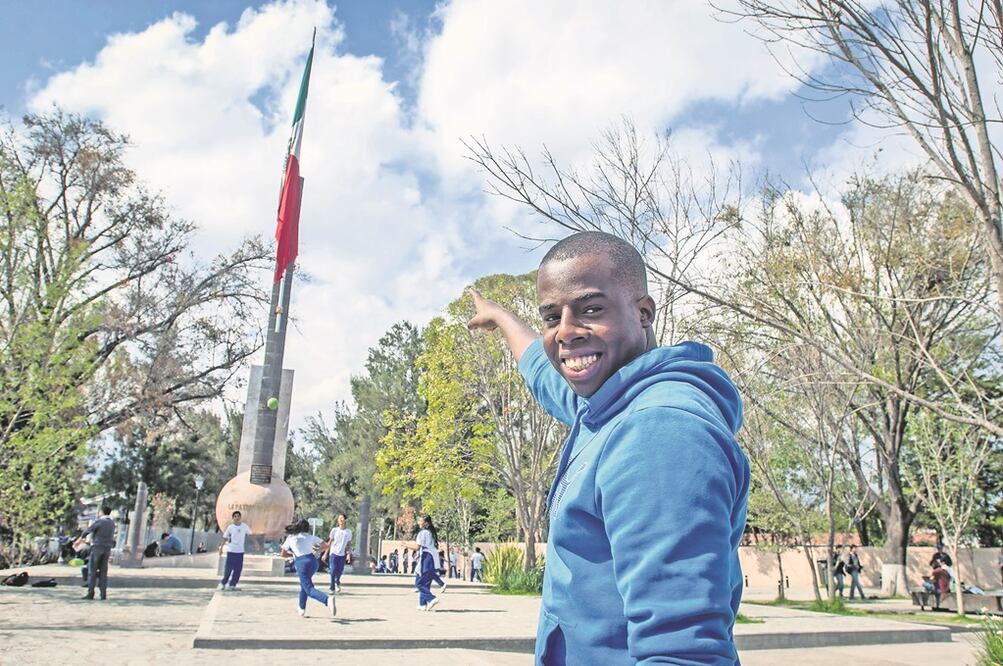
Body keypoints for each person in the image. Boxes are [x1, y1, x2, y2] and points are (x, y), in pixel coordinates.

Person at [467, 231, 749, 664]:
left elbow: (681, 651)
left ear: (643, 313)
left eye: (590, 309)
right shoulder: (608, 407)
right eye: (551, 317)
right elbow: (545, 375)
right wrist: (502, 318)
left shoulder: (657, 432)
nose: (565, 332)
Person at [280, 518, 335, 618]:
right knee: (304, 584)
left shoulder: (291, 538)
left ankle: (326, 600)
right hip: (313, 562)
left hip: (301, 562)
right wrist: (318, 550)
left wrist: (292, 555)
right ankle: (301, 608)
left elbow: (283, 554)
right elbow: (326, 546)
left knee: (309, 588)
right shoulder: (311, 537)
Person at [405, 515, 442, 611]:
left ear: (426, 523)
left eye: (420, 521)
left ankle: (432, 598)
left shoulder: (423, 533)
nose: (419, 523)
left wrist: (406, 545)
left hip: (426, 557)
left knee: (419, 583)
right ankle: (422, 604)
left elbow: (417, 547)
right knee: (426, 582)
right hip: (431, 558)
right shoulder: (431, 533)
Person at [79, 506, 116, 600]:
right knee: (103, 572)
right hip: (107, 548)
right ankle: (103, 594)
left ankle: (91, 593)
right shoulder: (112, 523)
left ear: (102, 512)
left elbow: (89, 530)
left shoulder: (100, 521)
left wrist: (80, 538)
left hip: (97, 547)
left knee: (92, 570)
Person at [219, 510, 251, 591]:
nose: (237, 518)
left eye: (238, 516)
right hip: (231, 551)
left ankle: (232, 584)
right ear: (233, 518)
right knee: (228, 569)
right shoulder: (230, 527)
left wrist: (256, 543)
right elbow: (225, 537)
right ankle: (223, 583)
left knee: (238, 570)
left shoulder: (244, 526)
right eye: (235, 516)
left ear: (240, 517)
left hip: (240, 552)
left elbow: (250, 534)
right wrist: (221, 548)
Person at [323, 513, 352, 593]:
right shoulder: (334, 530)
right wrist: (325, 553)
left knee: (340, 571)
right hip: (333, 553)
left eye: (342, 518)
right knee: (333, 570)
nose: (340, 520)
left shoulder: (348, 532)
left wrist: (348, 554)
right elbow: (329, 542)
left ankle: (337, 582)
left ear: (345, 520)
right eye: (339, 518)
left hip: (342, 554)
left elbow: (349, 544)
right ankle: (332, 588)